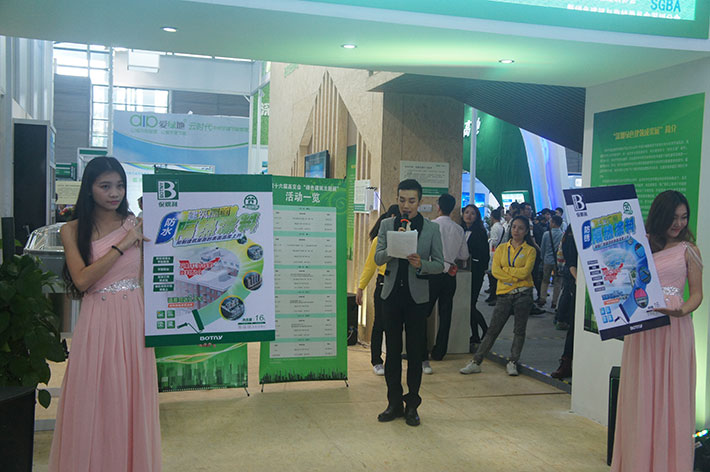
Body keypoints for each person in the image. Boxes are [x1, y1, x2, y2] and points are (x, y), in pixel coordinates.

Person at [50, 157, 161, 472]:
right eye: (105, 186)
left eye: (120, 186)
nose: (115, 193)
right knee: (96, 396)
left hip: (133, 317)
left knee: (132, 397)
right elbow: (82, 280)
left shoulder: (135, 223)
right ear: (89, 188)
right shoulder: (72, 230)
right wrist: (123, 244)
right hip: (98, 319)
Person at [611, 190, 703, 471]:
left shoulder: (689, 249)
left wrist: (682, 310)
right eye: (674, 217)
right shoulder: (641, 244)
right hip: (643, 328)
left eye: (684, 217)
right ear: (660, 216)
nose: (679, 223)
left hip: (674, 328)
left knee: (672, 394)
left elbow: (697, 294)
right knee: (641, 393)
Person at [374, 179, 444, 427]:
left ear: (420, 202)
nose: (406, 205)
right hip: (391, 297)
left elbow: (439, 264)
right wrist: (392, 251)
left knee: (415, 353)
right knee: (392, 353)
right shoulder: (387, 225)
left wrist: (421, 264)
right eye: (402, 200)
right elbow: (377, 257)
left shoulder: (431, 229)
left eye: (411, 201)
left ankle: (412, 405)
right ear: (397, 199)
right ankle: (393, 403)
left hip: (417, 299)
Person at [460, 215, 536, 376]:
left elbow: (525, 272)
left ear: (526, 231)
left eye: (520, 228)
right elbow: (495, 271)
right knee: (493, 330)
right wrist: (514, 276)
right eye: (514, 227)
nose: (516, 230)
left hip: (523, 294)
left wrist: (506, 271)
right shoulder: (501, 249)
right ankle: (476, 361)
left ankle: (513, 361)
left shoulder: (530, 250)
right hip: (504, 295)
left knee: (519, 330)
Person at [356, 204, 400, 376]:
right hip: (383, 283)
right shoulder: (379, 241)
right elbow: (370, 266)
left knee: (394, 326)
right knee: (380, 323)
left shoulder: (407, 238)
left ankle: (392, 361)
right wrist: (361, 287)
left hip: (400, 285)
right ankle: (376, 360)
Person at [425, 194, 468, 365]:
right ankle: (439, 351)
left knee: (423, 312)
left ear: (438, 207)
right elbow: (464, 255)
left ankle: (421, 349)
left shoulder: (431, 225)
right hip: (450, 273)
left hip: (432, 272)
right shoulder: (458, 229)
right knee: (445, 314)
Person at [461, 204, 490, 353]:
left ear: (477, 216)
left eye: (472, 213)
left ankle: (486, 330)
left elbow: (485, 254)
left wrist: (481, 268)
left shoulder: (480, 232)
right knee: (468, 305)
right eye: (466, 212)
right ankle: (475, 335)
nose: (469, 215)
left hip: (476, 272)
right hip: (464, 272)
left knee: (470, 304)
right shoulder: (461, 230)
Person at [550, 225, 577, 378]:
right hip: (578, 285)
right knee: (574, 326)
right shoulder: (572, 233)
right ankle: (566, 362)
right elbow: (571, 261)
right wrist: (578, 279)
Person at [538, 215, 564, 309]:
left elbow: (543, 248)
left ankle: (542, 298)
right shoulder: (562, 235)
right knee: (557, 282)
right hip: (558, 262)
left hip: (547, 261)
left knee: (545, 280)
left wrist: (543, 258)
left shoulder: (546, 234)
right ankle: (554, 302)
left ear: (553, 223)